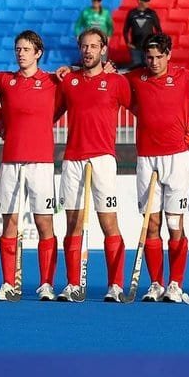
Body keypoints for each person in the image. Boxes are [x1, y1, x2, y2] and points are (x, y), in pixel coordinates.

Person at [0, 31, 62, 301]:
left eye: (26, 49)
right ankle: (8, 283)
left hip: (41, 163)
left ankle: (46, 284)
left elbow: (83, 75)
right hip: (11, 162)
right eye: (18, 49)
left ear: (38, 53)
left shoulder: (52, 80)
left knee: (43, 222)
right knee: (10, 222)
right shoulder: (6, 79)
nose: (21, 53)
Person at [57, 27, 133, 300]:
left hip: (103, 159)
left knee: (109, 223)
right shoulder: (68, 81)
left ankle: (116, 285)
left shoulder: (116, 82)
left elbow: (142, 108)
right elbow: (47, 114)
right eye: (84, 46)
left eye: (93, 46)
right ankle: (72, 284)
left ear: (103, 49)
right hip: (73, 160)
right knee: (73, 224)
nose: (88, 51)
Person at [127, 32, 189, 303]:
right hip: (146, 159)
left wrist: (188, 126)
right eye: (149, 57)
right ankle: (156, 283)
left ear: (168, 55)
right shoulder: (135, 78)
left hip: (177, 158)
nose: (154, 62)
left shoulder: (185, 77)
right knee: (151, 223)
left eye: (158, 57)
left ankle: (175, 283)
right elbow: (108, 83)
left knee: (174, 222)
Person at [123, 0, 162, 69]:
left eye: (148, 0)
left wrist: (157, 42)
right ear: (139, 1)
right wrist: (127, 42)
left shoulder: (152, 13)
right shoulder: (132, 13)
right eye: (145, 0)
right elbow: (125, 29)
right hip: (135, 46)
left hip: (148, 46)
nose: (147, 2)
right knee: (136, 67)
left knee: (148, 66)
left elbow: (158, 29)